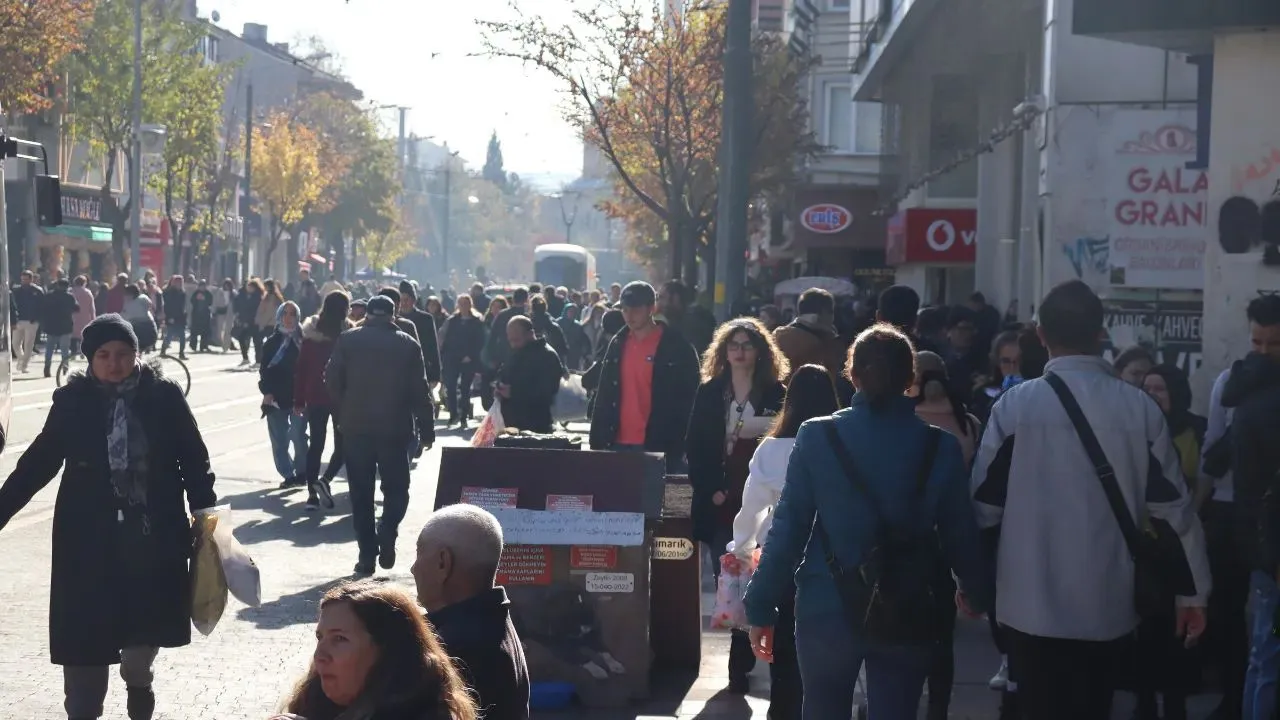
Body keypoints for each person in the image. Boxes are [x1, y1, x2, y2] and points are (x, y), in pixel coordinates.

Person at [971, 280, 1210, 719]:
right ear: (1101, 333)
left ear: (1040, 335)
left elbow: (985, 506)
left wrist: (970, 581)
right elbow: (1174, 513)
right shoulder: (1139, 410)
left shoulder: (1015, 407)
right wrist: (1192, 595)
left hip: (1027, 602)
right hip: (1108, 603)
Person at [744, 323, 991, 720]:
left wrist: (760, 606)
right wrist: (975, 591)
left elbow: (788, 529)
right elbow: (960, 533)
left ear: (852, 375)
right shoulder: (939, 447)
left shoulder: (818, 437)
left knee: (823, 707)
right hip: (907, 601)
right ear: (911, 380)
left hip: (827, 603)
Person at [0, 313, 216, 720]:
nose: (115, 363)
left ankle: (140, 689)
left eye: (123, 353)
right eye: (104, 354)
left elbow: (194, 460)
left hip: (151, 540)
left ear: (137, 354)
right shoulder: (73, 402)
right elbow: (38, 463)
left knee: (139, 647)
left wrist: (205, 518)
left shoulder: (163, 396)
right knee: (84, 650)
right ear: (90, 359)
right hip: (87, 542)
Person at [729, 364, 839, 720]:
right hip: (836, 556)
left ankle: (783, 711)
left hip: (782, 555)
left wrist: (742, 548)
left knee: (785, 653)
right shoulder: (841, 442)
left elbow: (751, 508)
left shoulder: (771, 448)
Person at [686, 317, 789, 693]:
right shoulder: (711, 392)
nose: (740, 350)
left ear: (761, 351)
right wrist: (710, 487)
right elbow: (694, 445)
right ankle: (737, 658)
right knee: (728, 577)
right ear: (724, 352)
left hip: (764, 502)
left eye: (747, 344)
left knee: (759, 575)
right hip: (720, 501)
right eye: (734, 345)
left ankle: (750, 650)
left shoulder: (776, 392)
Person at [326, 295, 433, 576]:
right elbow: (420, 391)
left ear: (368, 316)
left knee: (361, 493)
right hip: (395, 429)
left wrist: (344, 408)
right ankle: (387, 531)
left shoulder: (348, 340)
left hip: (356, 428)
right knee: (396, 488)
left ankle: (366, 555)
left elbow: (331, 378)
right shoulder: (408, 344)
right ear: (393, 315)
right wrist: (427, 430)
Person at [276, 581, 478, 720]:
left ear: (386, 651)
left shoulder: (425, 714)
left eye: (339, 639)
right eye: (320, 638)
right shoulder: (315, 702)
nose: (320, 656)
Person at [1131, 364, 1205, 720]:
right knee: (1145, 639)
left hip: (1180, 550)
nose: (1151, 396)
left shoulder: (1196, 432)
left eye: (1159, 389)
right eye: (1146, 388)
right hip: (1143, 550)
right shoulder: (1132, 431)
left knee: (1178, 639)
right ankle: (1144, 705)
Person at [412, 505, 531, 720]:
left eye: (419, 553)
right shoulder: (493, 621)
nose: (413, 568)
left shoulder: (457, 648)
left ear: (442, 562)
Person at [1221, 293, 1280, 720]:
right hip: (1270, 548)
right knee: (1268, 658)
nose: (1262, 353)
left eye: (1272, 344)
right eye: (1257, 342)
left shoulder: (1240, 389)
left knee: (1265, 655)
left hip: (1264, 549)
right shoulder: (1249, 393)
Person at [585, 281, 700, 472]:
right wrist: (597, 440)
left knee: (654, 501)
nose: (629, 316)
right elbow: (605, 393)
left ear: (651, 308)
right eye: (625, 309)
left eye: (636, 309)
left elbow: (691, 396)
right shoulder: (618, 343)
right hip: (615, 442)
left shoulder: (676, 346)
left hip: (660, 444)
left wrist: (684, 442)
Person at [294, 291, 352, 511]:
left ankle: (311, 494)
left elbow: (301, 369)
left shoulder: (311, 334)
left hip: (315, 395)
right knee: (343, 445)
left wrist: (299, 400)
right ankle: (324, 480)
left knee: (315, 445)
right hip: (341, 397)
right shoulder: (349, 334)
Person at [260, 301, 309, 491]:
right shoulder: (272, 342)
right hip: (277, 397)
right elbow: (265, 370)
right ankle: (288, 474)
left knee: (298, 435)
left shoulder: (304, 341)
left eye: (293, 314)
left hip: (299, 397)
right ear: (279, 316)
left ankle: (302, 472)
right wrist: (267, 392)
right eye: (285, 313)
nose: (289, 318)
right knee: (279, 439)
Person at [495, 316, 563, 434]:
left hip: (536, 424)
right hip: (510, 423)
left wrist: (514, 392)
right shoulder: (516, 352)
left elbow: (547, 391)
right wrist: (499, 388)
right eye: (510, 340)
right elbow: (504, 374)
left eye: (516, 340)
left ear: (530, 334)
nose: (513, 344)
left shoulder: (547, 355)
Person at [440, 294, 487, 429]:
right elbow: (447, 338)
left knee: (466, 388)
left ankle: (464, 416)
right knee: (451, 387)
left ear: (470, 305)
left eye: (466, 303)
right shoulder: (452, 320)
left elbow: (479, 341)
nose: (463, 306)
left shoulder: (476, 321)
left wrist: (471, 355)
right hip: (452, 358)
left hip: (469, 359)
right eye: (460, 303)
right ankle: (453, 414)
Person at [970, 330, 1022, 424]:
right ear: (997, 362)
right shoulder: (983, 395)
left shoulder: (1040, 392)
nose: (1012, 367)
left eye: (1018, 361)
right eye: (1006, 361)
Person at [399, 282, 443, 391]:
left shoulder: (425, 319)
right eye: (401, 300)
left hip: (421, 368)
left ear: (413, 300)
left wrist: (435, 375)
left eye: (407, 299)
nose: (404, 303)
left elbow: (433, 347)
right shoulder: (395, 319)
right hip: (399, 369)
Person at [659, 279, 716, 358]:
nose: (659, 302)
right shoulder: (684, 318)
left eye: (662, 297)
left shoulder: (693, 322)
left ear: (676, 298)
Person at [40, 278, 79, 378]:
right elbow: (77, 308)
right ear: (67, 286)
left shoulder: (49, 295)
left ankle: (47, 367)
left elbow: (43, 308)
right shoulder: (69, 297)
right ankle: (65, 368)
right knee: (64, 349)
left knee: (49, 349)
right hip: (65, 326)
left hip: (51, 326)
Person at [13, 269, 44, 373]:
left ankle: (24, 366)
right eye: (22, 279)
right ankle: (22, 359)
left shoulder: (38, 290)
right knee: (15, 344)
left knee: (28, 345)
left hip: (32, 321)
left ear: (31, 279)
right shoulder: (16, 290)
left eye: (26, 279)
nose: (24, 281)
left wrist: (37, 319)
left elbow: (42, 306)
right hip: (19, 321)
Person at [528, 295, 568, 363]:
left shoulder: (527, 326)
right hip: (552, 362)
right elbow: (563, 348)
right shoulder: (554, 326)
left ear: (531, 308)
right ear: (545, 307)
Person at [234, 278, 264, 366]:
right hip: (245, 321)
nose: (248, 288)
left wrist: (250, 320)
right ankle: (245, 358)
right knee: (241, 337)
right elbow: (240, 307)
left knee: (257, 342)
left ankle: (258, 361)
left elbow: (255, 310)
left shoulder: (258, 297)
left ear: (254, 288)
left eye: (250, 287)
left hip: (255, 322)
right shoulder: (244, 295)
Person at [556, 303, 593, 371]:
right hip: (560, 352)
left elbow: (583, 340)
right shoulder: (558, 323)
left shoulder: (578, 326)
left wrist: (586, 354)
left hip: (574, 353)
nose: (572, 313)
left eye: (574, 312)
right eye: (570, 311)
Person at [159, 276, 188, 359]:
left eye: (181, 282)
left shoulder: (182, 292)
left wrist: (185, 314)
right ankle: (163, 351)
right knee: (169, 335)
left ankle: (181, 353)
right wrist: (169, 316)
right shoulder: (169, 292)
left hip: (180, 317)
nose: (180, 283)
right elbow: (168, 306)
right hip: (172, 316)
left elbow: (183, 306)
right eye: (178, 282)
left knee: (182, 336)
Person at [70, 275, 96, 357]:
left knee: (73, 336)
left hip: (72, 317)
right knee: (83, 336)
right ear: (84, 283)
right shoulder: (88, 293)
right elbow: (92, 308)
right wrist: (93, 319)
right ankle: (82, 352)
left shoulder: (71, 291)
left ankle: (73, 352)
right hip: (85, 317)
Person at [256, 278, 285, 354]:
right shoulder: (276, 297)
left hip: (269, 323)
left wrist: (262, 324)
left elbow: (269, 312)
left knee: (260, 341)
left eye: (265, 286)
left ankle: (260, 359)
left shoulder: (271, 297)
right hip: (274, 323)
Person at [188, 280, 214, 352]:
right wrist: (196, 299)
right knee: (194, 332)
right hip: (196, 315)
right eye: (201, 286)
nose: (202, 287)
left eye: (204, 286)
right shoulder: (196, 293)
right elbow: (192, 301)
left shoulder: (208, 293)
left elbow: (210, 302)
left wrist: (204, 299)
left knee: (205, 332)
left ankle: (203, 346)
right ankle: (193, 346)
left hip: (205, 315)